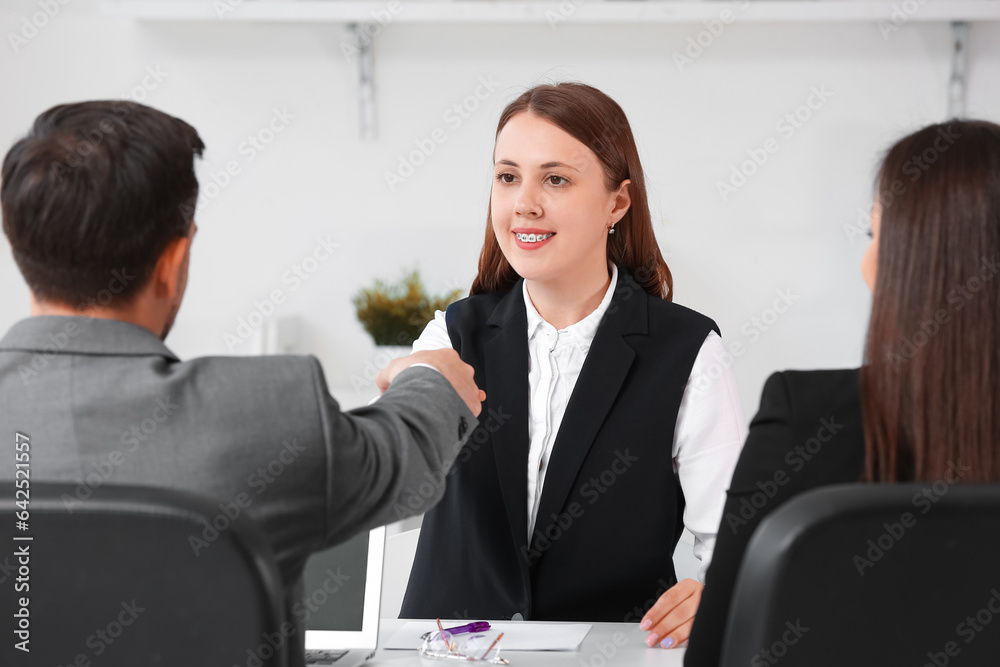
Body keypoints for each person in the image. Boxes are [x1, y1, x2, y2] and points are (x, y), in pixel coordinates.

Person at [0, 100, 485, 666]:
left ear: (22, 244)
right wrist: (430, 372)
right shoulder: (266, 411)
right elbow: (406, 457)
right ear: (172, 260)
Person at [399, 82, 746, 650]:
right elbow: (390, 500)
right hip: (455, 657)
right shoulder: (452, 336)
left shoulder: (688, 349)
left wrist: (722, 590)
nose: (524, 203)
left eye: (555, 179)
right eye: (508, 177)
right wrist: (391, 422)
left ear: (617, 202)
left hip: (612, 657)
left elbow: (735, 544)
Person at [683, 118, 1000, 666]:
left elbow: (715, 653)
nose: (865, 260)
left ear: (905, 264)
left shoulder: (802, 419)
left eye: (875, 235)